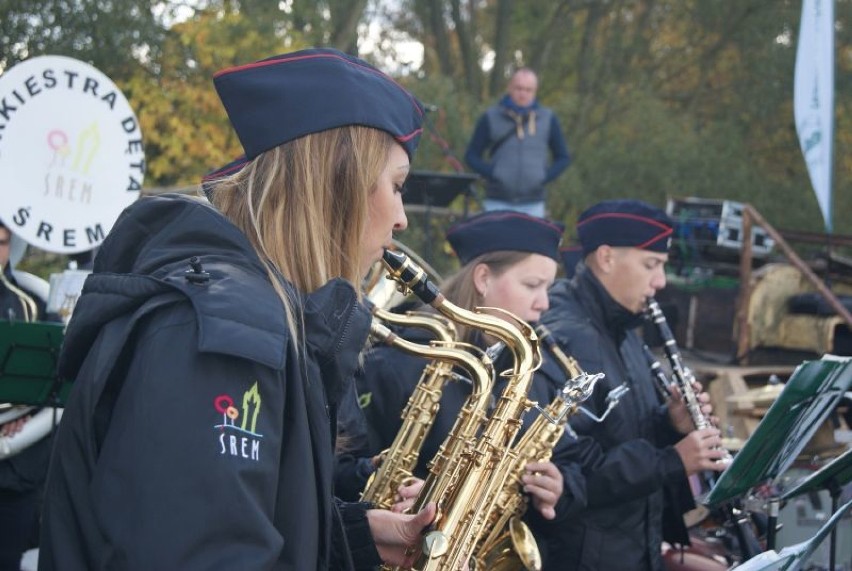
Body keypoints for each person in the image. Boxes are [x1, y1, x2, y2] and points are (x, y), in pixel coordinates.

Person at [38, 47, 437, 571]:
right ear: (338, 184)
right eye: (396, 186)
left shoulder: (243, 314)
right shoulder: (225, 333)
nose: (402, 218)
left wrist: (352, 538)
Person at [356, 210, 586, 541]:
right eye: (532, 285)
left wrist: (561, 485)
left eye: (549, 287)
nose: (544, 304)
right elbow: (345, 473)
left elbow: (574, 459)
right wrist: (408, 493)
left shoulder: (534, 371)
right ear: (482, 279)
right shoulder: (397, 363)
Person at [536, 199, 728, 571]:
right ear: (607, 258)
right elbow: (574, 470)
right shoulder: (568, 337)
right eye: (651, 265)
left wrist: (670, 424)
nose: (660, 282)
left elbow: (620, 432)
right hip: (585, 555)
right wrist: (672, 461)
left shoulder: (624, 328)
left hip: (631, 544)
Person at [0, 222, 53, 571]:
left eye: (2, 243)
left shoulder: (29, 303)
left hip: (14, 471)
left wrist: (23, 408)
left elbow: (44, 382)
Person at [464, 68, 571, 217]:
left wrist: (542, 177)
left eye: (528, 90)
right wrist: (493, 174)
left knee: (531, 241)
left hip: (533, 202)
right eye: (519, 88)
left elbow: (563, 157)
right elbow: (471, 155)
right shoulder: (491, 117)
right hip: (497, 200)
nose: (523, 94)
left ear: (535, 91)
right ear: (510, 88)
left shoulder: (548, 119)